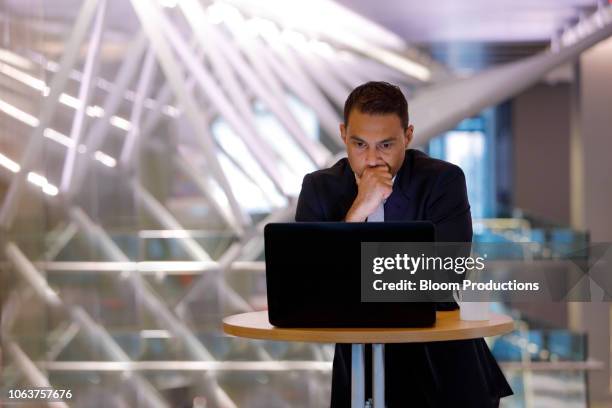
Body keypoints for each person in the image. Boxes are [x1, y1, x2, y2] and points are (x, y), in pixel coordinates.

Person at [295, 81, 513, 407]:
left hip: (444, 368)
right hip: (359, 370)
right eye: (359, 144)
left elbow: (443, 277)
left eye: (385, 145)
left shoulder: (442, 181)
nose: (371, 160)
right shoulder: (319, 188)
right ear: (343, 134)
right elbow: (306, 285)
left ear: (407, 137)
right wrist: (358, 211)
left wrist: (347, 276)